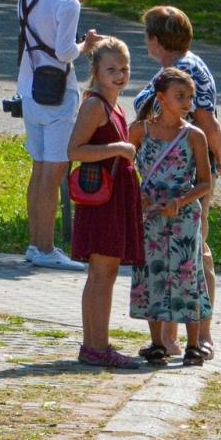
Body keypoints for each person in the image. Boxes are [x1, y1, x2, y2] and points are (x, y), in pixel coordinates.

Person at [136, 6, 221, 363]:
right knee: (166, 257)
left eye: (147, 34)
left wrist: (220, 157)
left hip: (185, 183)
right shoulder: (180, 66)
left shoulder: (185, 70)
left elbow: (206, 120)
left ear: (155, 38)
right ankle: (168, 338)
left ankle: (199, 336)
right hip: (160, 186)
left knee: (193, 255)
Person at [17, 0, 103, 271]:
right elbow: (65, 52)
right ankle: (46, 247)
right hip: (57, 94)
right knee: (54, 172)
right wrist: (86, 45)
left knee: (39, 168)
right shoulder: (67, 1)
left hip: (29, 87)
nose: (84, 0)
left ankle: (34, 243)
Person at [66, 36, 145, 369]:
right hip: (101, 197)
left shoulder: (115, 104)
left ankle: (98, 345)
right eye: (111, 69)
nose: (119, 75)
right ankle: (95, 348)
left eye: (124, 69)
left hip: (116, 195)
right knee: (100, 273)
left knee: (107, 272)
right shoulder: (94, 104)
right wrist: (117, 148)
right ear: (96, 71)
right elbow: (74, 151)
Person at [129, 69, 214, 367]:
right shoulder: (139, 130)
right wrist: (138, 196)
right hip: (150, 215)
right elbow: (125, 170)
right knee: (152, 273)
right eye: (180, 96)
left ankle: (193, 344)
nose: (187, 103)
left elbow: (205, 181)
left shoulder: (194, 135)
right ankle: (157, 343)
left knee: (186, 274)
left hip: (183, 217)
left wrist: (180, 201)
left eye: (190, 97)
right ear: (161, 97)